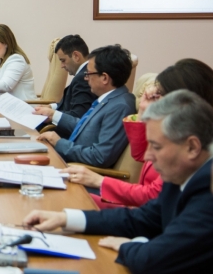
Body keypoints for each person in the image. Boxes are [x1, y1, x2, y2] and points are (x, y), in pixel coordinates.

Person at [24, 90, 213, 274]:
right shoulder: (183, 173)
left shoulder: (207, 192)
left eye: (156, 147)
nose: (148, 156)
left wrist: (129, 245)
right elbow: (143, 219)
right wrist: (65, 218)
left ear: (192, 147)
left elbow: (152, 260)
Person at [63, 58, 213, 208]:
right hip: (140, 207)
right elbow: (140, 153)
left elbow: (153, 196)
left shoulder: (188, 144)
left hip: (144, 209)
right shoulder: (176, 129)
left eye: (160, 94)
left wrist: (99, 181)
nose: (155, 97)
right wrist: (142, 111)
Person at [37, 45, 135, 168]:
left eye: (88, 73)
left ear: (104, 78)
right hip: (70, 162)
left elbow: (100, 156)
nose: (85, 78)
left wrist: (59, 143)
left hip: (78, 171)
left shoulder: (120, 107)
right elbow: (85, 127)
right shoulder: (110, 98)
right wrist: (53, 116)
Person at [33, 34, 97, 138]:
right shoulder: (82, 74)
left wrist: (52, 114)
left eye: (63, 60)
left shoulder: (83, 78)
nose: (62, 66)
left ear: (76, 56)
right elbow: (72, 101)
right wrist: (51, 107)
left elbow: (78, 115)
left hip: (66, 136)